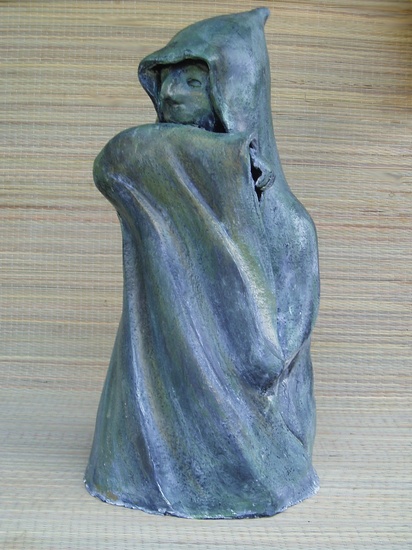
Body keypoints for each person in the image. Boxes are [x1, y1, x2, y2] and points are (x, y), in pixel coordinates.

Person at [85, 8, 320, 519]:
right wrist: (226, 161)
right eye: (167, 80)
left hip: (252, 440)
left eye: (193, 81)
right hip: (147, 422)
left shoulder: (291, 228)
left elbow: (274, 357)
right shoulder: (149, 167)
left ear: (235, 94)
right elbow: (114, 161)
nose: (171, 94)